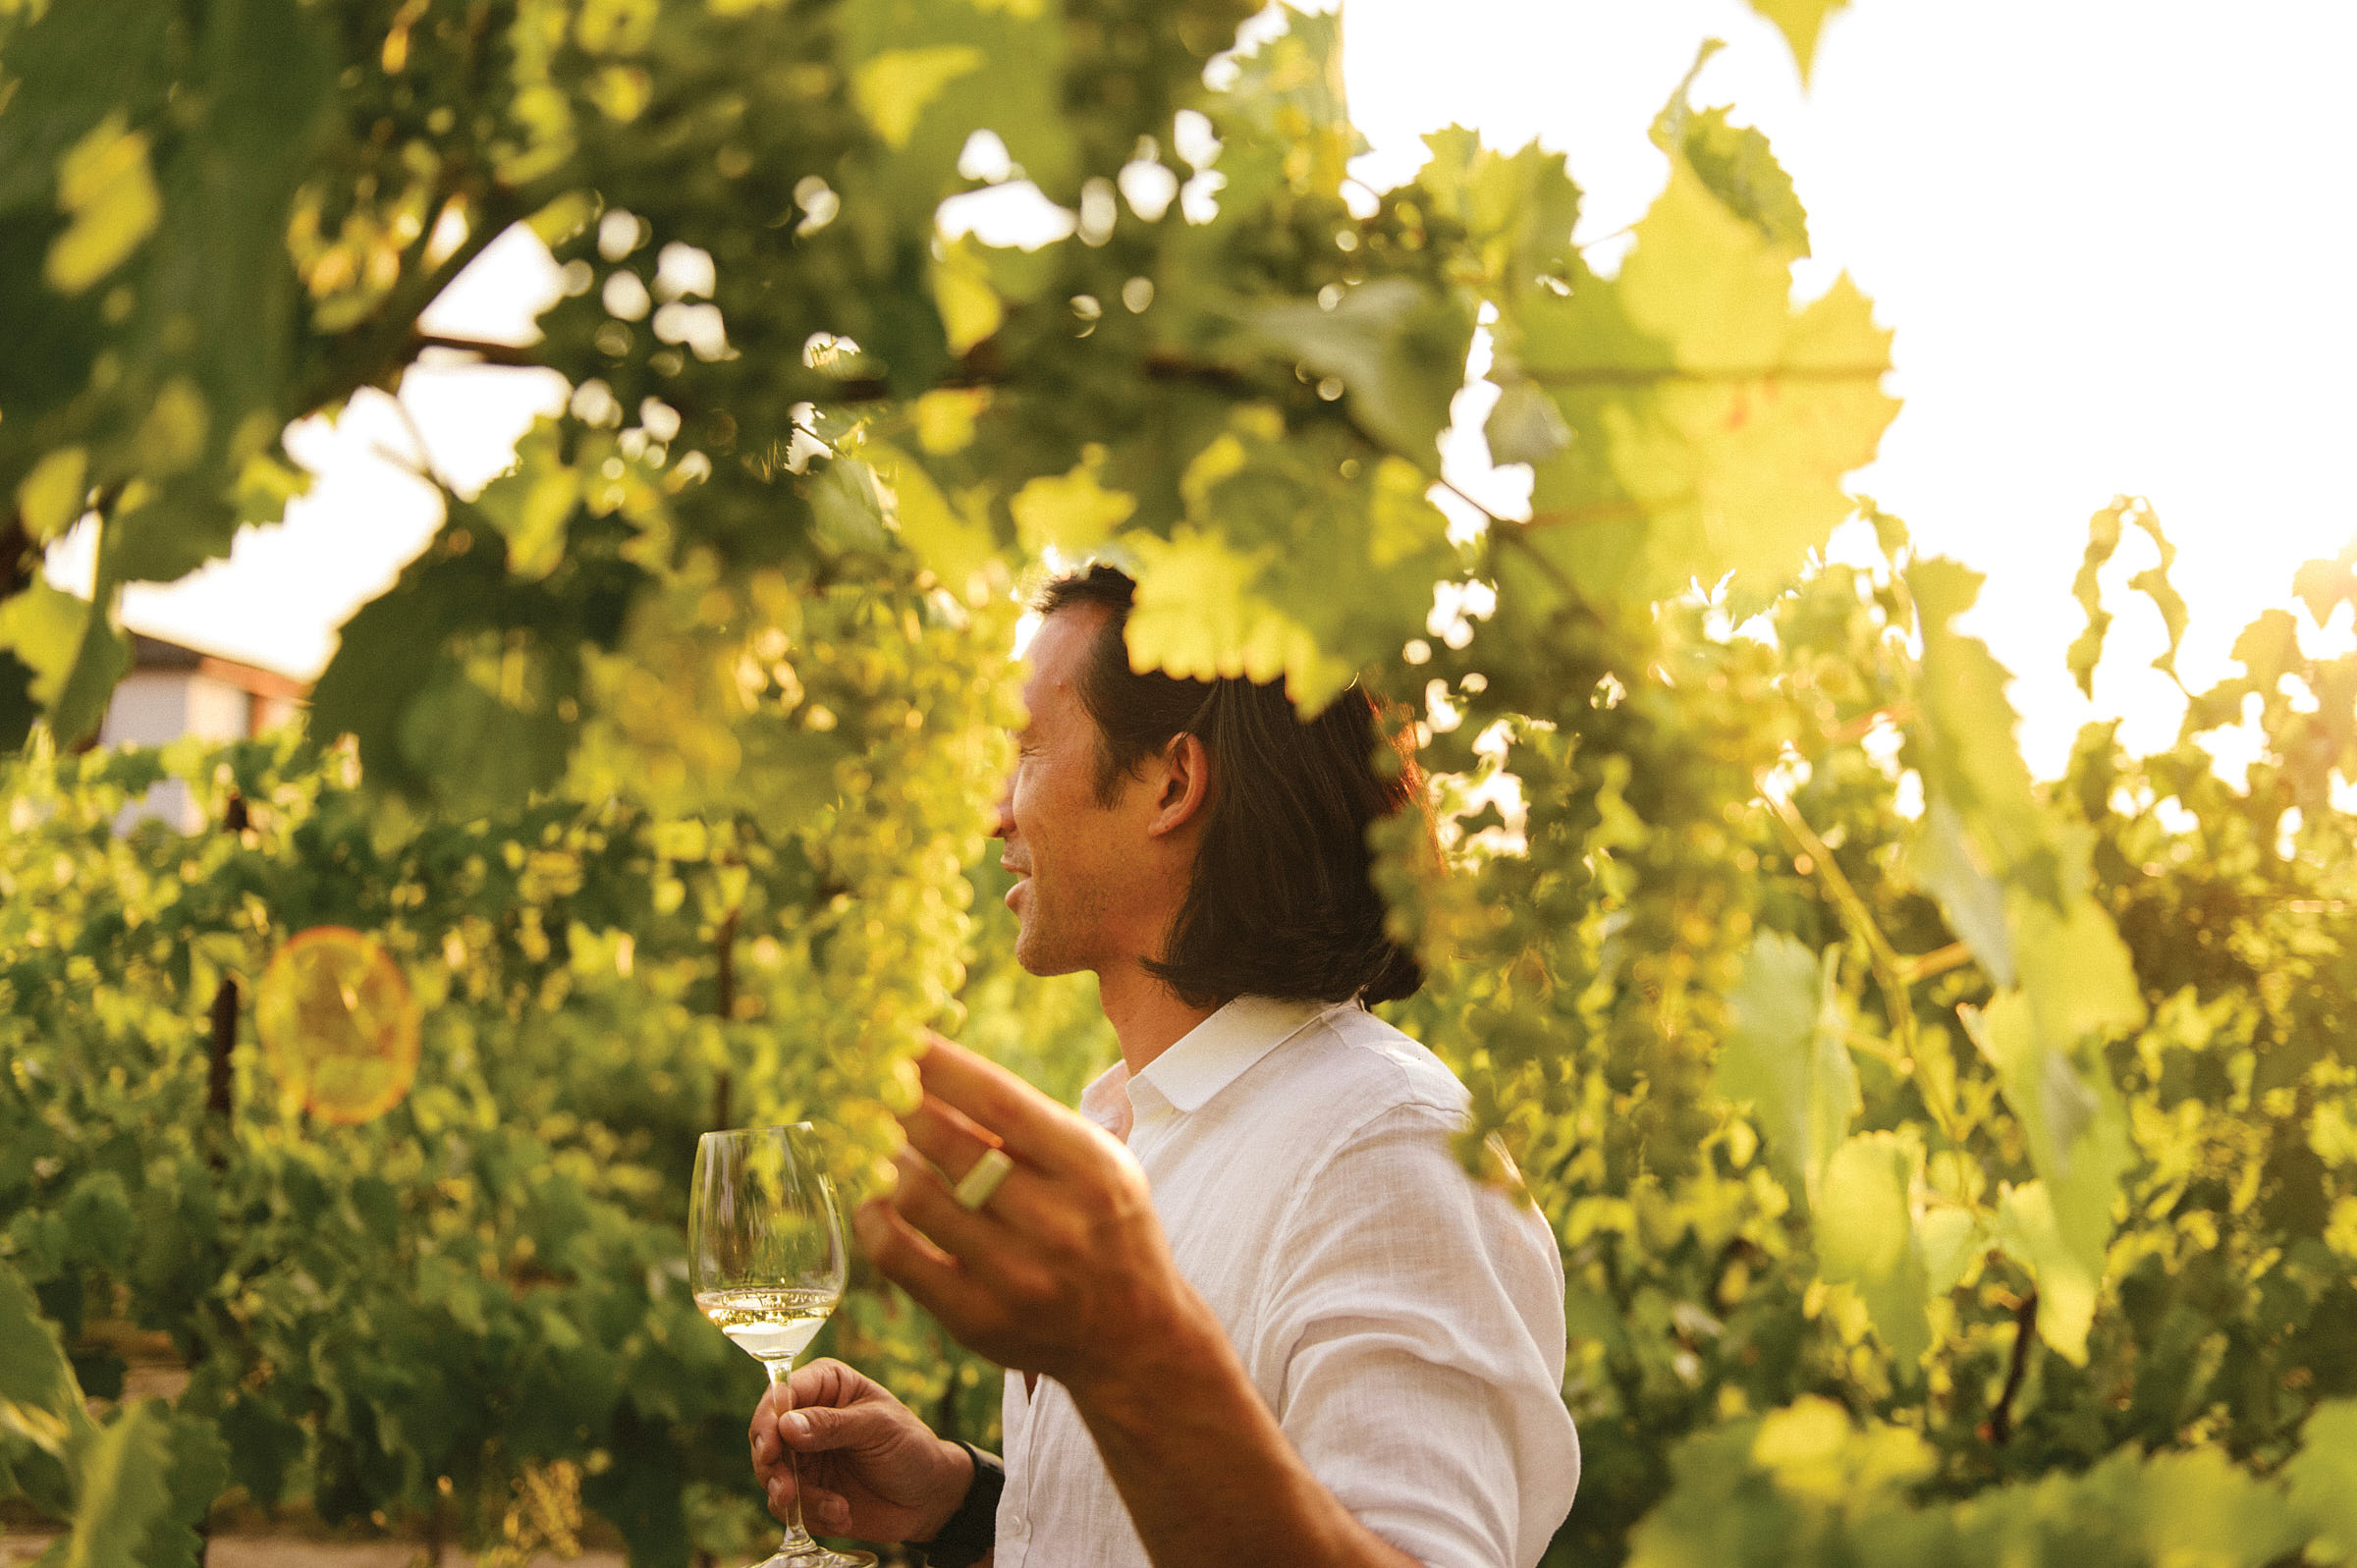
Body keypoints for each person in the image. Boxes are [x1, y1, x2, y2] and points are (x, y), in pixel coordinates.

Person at [747, 565, 1578, 1567]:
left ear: (1174, 783)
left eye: (1026, 753)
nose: (996, 816)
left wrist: (1128, 1355)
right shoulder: (1122, 1126)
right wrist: (966, 1504)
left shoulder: (1391, 1145)